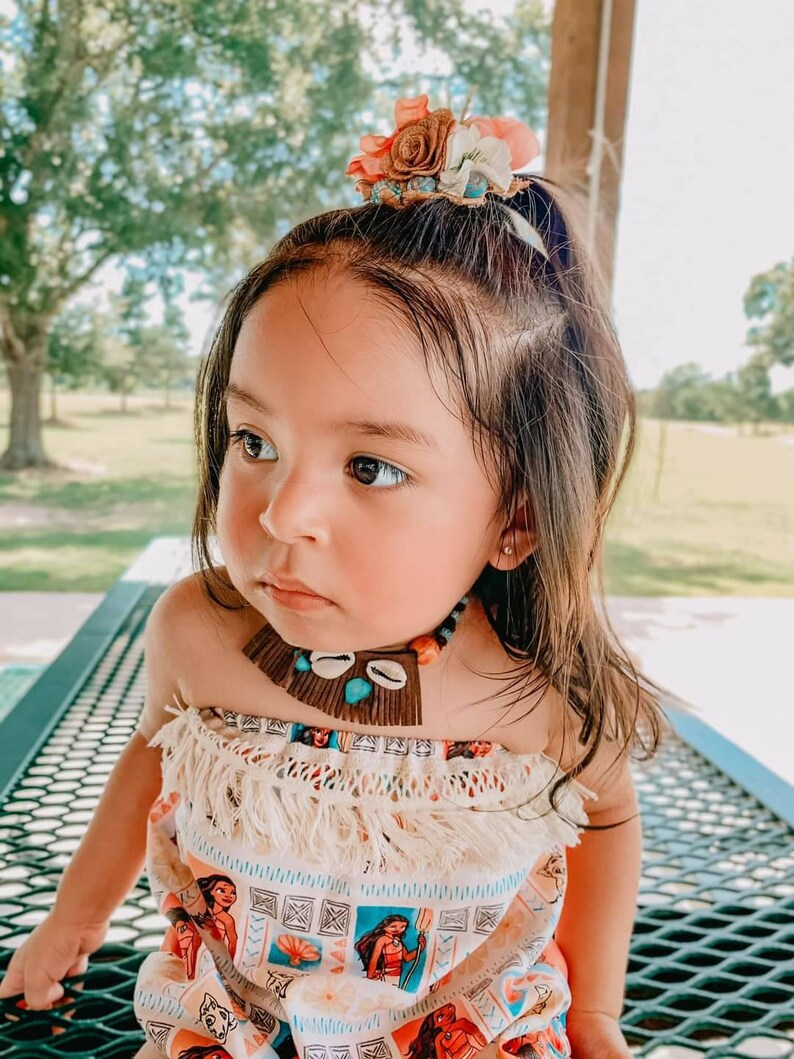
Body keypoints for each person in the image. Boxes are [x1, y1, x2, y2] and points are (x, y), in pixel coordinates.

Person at [0, 93, 670, 1058]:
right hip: (239, 1014)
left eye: (372, 467)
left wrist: (597, 1011)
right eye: (255, 439)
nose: (280, 514)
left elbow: (605, 820)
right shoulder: (199, 631)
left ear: (515, 519)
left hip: (462, 1017)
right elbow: (151, 756)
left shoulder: (538, 694)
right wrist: (73, 919)